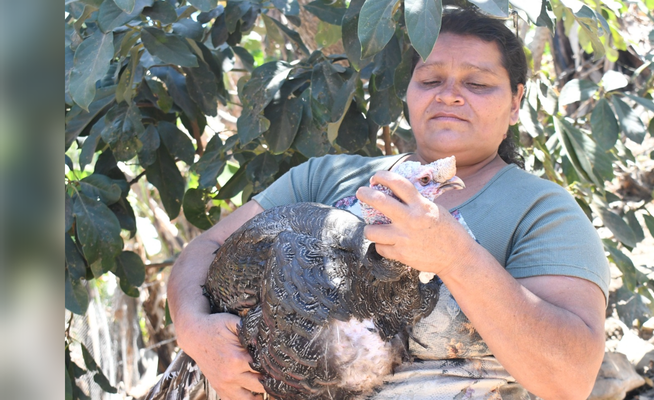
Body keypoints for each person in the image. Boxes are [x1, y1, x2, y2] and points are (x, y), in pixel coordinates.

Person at [168, 8, 609, 400]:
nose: (450, 95)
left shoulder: (542, 209)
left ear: (516, 102)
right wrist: (194, 330)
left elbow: (569, 382)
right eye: (431, 79)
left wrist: (457, 258)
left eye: (477, 83)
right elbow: (203, 250)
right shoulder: (326, 176)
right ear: (409, 92)